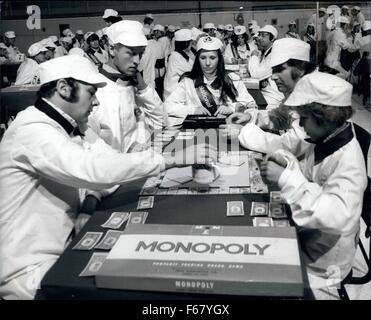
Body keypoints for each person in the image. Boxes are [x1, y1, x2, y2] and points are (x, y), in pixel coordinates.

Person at [0, 54, 216, 300]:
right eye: (91, 93)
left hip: (67, 245)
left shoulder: (70, 125)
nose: (95, 103)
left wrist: (91, 198)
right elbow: (92, 168)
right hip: (30, 272)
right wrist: (171, 159)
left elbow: (110, 164)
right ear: (63, 88)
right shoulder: (32, 129)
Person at [253, 72, 367, 299]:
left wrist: (286, 178)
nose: (301, 125)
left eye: (304, 118)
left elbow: (336, 215)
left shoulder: (349, 160)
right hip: (309, 235)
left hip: (324, 262)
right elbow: (309, 174)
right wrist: (287, 163)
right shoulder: (329, 136)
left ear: (323, 117)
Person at [88, 20, 165, 153]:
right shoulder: (94, 90)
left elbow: (161, 122)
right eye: (131, 53)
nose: (137, 60)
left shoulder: (136, 86)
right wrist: (127, 151)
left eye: (141, 53)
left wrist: (144, 88)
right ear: (112, 49)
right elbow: (89, 146)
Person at [221, 38, 313, 145]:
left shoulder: (314, 96)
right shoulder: (296, 91)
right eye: (273, 70)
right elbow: (279, 117)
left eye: (280, 70)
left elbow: (295, 144)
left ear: (300, 69)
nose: (273, 77)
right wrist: (250, 117)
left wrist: (244, 133)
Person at [164, 36, 256, 125]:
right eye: (203, 58)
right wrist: (193, 110)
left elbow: (250, 105)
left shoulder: (232, 78)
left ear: (219, 59)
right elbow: (167, 106)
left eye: (212, 58)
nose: (207, 63)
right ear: (197, 59)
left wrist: (231, 108)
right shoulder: (188, 81)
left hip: (229, 128)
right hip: (199, 130)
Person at [248, 25, 285, 109]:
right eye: (259, 35)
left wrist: (254, 56)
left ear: (272, 39)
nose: (259, 38)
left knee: (247, 104)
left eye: (263, 36)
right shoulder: (266, 53)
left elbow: (256, 75)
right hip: (267, 92)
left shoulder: (274, 55)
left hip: (273, 97)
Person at [163, 29, 194, 100]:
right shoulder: (176, 57)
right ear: (186, 43)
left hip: (177, 94)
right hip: (173, 96)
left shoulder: (180, 55)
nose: (191, 46)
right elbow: (192, 71)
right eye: (191, 43)